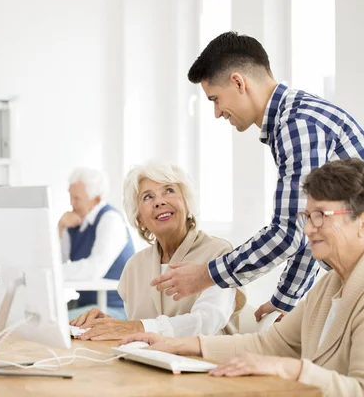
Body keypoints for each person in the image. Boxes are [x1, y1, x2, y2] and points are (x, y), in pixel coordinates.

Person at [153, 31, 364, 321]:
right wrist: (284, 300)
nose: (216, 113)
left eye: (215, 99)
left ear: (238, 82)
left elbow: (289, 232)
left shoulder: (297, 125)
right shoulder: (293, 118)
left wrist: (208, 275)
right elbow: (309, 226)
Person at [121, 158, 364, 397]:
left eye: (322, 215)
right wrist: (179, 344)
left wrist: (290, 367)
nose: (309, 229)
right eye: (308, 217)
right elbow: (268, 344)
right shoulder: (327, 288)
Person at [70, 161, 246, 340]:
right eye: (147, 197)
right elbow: (137, 331)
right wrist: (106, 323)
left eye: (169, 190)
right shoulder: (135, 266)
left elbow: (207, 322)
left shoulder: (218, 253)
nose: (159, 202)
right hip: (150, 364)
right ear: (139, 217)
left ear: (187, 202)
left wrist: (135, 327)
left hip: (206, 364)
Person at [59, 167, 135, 320]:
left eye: (77, 198)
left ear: (96, 200)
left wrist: (53, 272)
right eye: (70, 196)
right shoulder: (74, 222)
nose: (71, 203)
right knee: (37, 317)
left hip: (114, 307)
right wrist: (60, 228)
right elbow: (56, 260)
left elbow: (94, 269)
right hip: (86, 305)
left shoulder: (110, 220)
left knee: (58, 322)